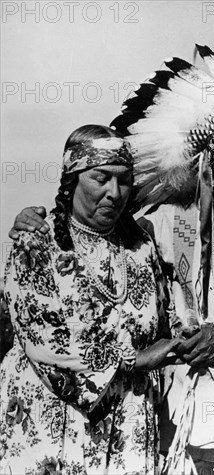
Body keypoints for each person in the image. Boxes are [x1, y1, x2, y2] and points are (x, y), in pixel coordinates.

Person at [9, 44, 214, 475]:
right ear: (209, 157)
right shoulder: (163, 223)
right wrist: (36, 219)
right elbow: (88, 229)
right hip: (174, 412)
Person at [0, 125, 186, 474]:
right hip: (52, 418)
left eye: (124, 180)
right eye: (101, 178)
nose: (115, 193)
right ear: (72, 180)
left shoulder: (140, 248)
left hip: (127, 421)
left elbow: (165, 319)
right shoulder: (36, 243)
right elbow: (43, 339)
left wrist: (187, 339)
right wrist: (136, 360)